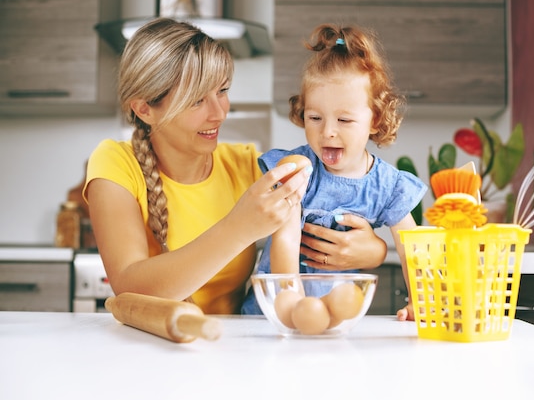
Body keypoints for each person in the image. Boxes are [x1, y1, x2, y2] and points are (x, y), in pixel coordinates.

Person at [82, 17, 389, 314]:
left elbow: (317, 219)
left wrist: (375, 250)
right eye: (196, 101)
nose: (218, 113)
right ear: (145, 108)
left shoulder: (245, 164)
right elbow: (129, 285)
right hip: (146, 349)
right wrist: (240, 227)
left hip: (233, 347)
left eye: (223, 91)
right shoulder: (115, 163)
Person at [241, 23, 427, 319]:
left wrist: (422, 302)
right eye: (315, 117)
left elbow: (412, 248)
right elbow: (286, 240)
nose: (327, 132)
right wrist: (293, 303)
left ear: (375, 120)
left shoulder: (388, 186)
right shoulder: (296, 170)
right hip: (273, 316)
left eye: (344, 120)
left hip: (333, 322)